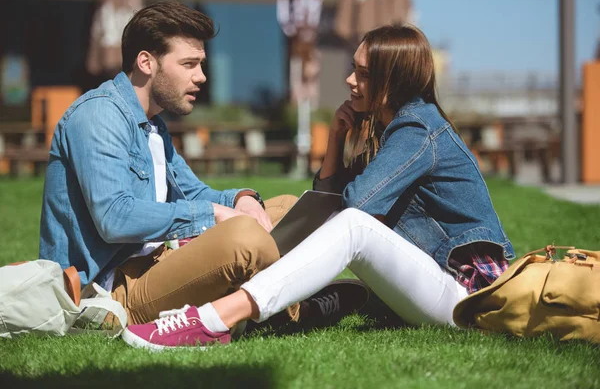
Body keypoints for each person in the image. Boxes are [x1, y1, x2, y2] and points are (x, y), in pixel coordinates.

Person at [122, 23, 516, 351]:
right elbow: (327, 200)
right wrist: (334, 141)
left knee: (354, 228)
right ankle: (261, 311)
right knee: (330, 242)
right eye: (353, 68)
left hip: (470, 300)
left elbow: (355, 208)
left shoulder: (417, 129)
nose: (349, 79)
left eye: (363, 73)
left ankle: (213, 319)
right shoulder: (387, 128)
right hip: (441, 289)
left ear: (392, 80)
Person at [39, 1, 368, 328]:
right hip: (113, 291)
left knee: (288, 209)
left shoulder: (152, 125)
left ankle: (267, 301)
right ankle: (299, 313)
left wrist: (240, 199)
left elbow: (192, 191)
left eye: (201, 64)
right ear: (146, 63)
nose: (201, 77)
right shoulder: (100, 115)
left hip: (159, 262)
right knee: (244, 237)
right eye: (189, 64)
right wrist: (213, 214)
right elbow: (114, 218)